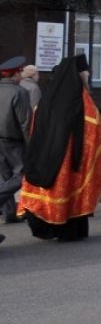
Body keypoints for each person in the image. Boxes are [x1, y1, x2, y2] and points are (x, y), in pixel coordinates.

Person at [19, 55, 101, 241]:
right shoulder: (82, 99)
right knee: (70, 192)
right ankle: (69, 231)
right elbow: (96, 128)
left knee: (53, 191)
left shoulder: (48, 97)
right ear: (79, 75)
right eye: (85, 73)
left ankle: (48, 226)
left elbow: (35, 125)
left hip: (47, 154)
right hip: (72, 158)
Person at [0, 55, 33, 231]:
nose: (22, 75)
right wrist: (32, 146)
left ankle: (10, 213)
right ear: (15, 74)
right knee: (22, 174)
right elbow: (25, 123)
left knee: (4, 176)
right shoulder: (19, 92)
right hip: (14, 141)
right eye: (20, 71)